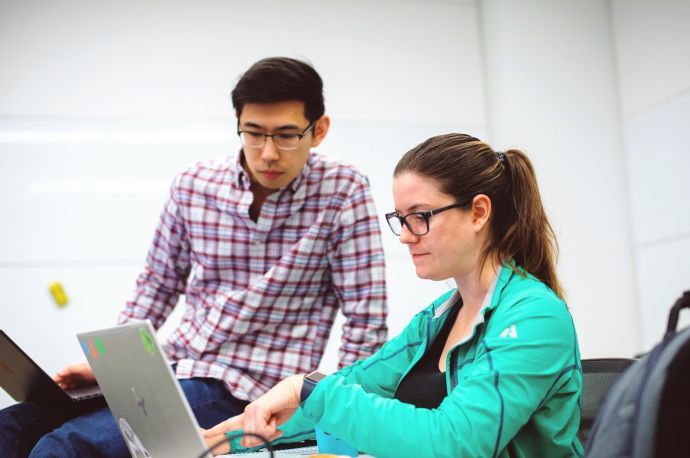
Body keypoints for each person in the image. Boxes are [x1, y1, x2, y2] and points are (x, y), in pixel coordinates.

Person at [0, 57, 388, 457]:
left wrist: (340, 414)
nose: (268, 153)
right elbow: (158, 282)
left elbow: (365, 316)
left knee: (65, 447)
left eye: (287, 135)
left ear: (318, 130)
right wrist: (115, 371)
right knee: (10, 427)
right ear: (237, 123)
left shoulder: (344, 190)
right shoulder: (194, 184)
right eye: (253, 133)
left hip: (249, 389)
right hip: (170, 370)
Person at [204, 133, 583, 457]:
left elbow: (457, 442)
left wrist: (309, 390)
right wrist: (222, 441)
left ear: (479, 212)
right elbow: (354, 386)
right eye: (401, 219)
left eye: (420, 216)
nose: (404, 235)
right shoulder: (435, 321)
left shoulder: (535, 317)